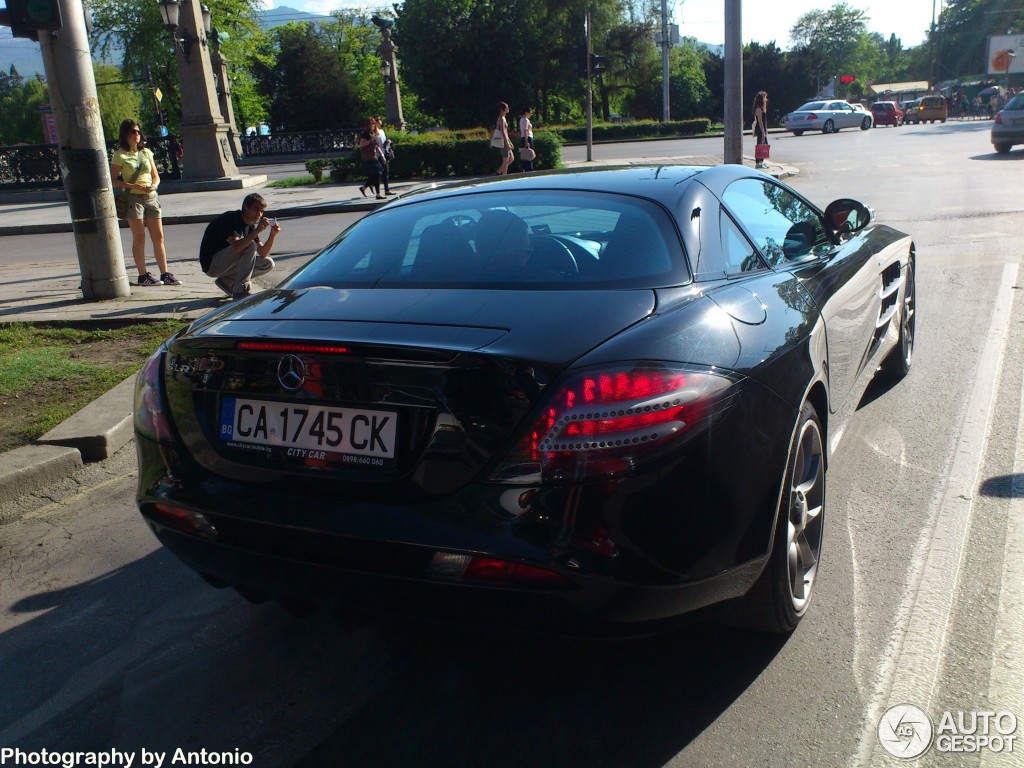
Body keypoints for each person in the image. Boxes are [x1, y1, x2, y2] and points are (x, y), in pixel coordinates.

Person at [110, 119, 181, 287]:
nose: (136, 135)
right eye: (132, 132)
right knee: (139, 236)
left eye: (138, 132)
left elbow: (156, 176)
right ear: (125, 135)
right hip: (133, 198)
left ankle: (165, 273)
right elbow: (113, 180)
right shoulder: (120, 154)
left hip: (151, 197)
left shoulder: (146, 153)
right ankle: (143, 275)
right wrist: (132, 185)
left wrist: (153, 186)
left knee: (159, 236)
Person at [200, 192, 280, 300]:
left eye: (262, 211)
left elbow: (263, 252)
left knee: (267, 263)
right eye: (256, 209)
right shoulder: (231, 218)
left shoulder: (250, 226)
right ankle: (241, 291)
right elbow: (237, 247)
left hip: (226, 264)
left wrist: (272, 235)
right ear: (246, 206)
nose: (260, 215)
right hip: (212, 264)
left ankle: (226, 281)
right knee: (249, 245)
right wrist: (257, 231)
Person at [358, 117, 386, 199]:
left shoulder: (373, 133)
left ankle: (365, 187)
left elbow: (376, 146)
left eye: (373, 124)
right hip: (369, 157)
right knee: (377, 173)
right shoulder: (366, 134)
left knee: (376, 174)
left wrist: (382, 156)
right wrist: (370, 140)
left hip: (374, 156)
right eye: (371, 124)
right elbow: (361, 144)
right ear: (367, 125)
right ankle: (377, 193)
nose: (373, 126)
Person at [373, 115, 396, 195]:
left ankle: (386, 189)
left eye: (380, 119)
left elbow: (383, 141)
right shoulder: (374, 133)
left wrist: (388, 141)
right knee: (380, 173)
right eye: (377, 120)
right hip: (379, 155)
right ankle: (379, 191)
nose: (379, 121)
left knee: (386, 172)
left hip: (385, 152)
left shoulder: (382, 131)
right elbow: (376, 144)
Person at [493, 101, 514, 176]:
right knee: (506, 159)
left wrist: (510, 142)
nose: (508, 108)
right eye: (507, 107)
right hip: (503, 140)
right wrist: (507, 142)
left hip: (505, 139)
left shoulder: (503, 118)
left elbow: (505, 132)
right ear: (503, 109)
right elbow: (503, 131)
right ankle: (504, 175)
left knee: (511, 158)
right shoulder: (502, 118)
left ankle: (498, 172)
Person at [752, 91, 769, 169]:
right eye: (764, 97)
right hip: (760, 129)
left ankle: (761, 162)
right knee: (760, 146)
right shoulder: (758, 108)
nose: (766, 99)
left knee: (764, 145)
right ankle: (758, 163)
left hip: (762, 129)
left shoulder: (762, 108)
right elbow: (760, 121)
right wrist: (763, 132)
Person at [518, 106, 535, 172]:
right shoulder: (525, 120)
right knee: (530, 154)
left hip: (523, 137)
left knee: (525, 155)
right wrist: (526, 141)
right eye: (530, 113)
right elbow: (525, 130)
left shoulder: (522, 120)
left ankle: (524, 169)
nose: (531, 114)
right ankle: (529, 170)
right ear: (526, 112)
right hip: (528, 138)